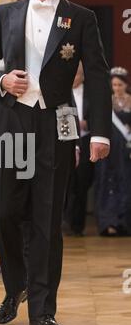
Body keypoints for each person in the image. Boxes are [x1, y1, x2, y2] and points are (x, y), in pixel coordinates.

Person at [0, 0, 112, 325]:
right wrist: (1, 79)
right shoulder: (7, 13)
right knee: (2, 212)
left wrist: (100, 132)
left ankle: (42, 309)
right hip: (8, 124)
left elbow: (99, 76)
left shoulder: (81, 18)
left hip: (56, 125)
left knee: (47, 220)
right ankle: (15, 286)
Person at [95, 67, 131, 236]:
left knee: (125, 183)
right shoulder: (107, 101)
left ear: (126, 85)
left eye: (120, 84)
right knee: (108, 183)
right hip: (110, 150)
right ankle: (108, 223)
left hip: (126, 151)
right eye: (114, 84)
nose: (117, 88)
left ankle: (124, 223)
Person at [63, 62, 94, 237]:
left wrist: (86, 124)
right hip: (68, 140)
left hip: (87, 141)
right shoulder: (61, 91)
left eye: (77, 75)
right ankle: (65, 221)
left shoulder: (90, 93)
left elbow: (98, 115)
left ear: (82, 76)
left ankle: (78, 225)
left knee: (82, 185)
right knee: (66, 184)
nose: (74, 78)